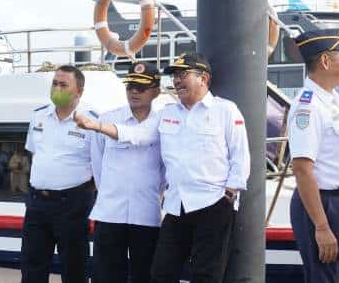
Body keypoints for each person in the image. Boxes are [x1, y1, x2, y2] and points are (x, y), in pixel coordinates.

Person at [75, 52, 250, 283]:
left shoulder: (226, 111)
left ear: (203, 78)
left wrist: (229, 194)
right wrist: (97, 126)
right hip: (177, 206)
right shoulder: (167, 114)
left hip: (213, 204)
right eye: (174, 76)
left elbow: (240, 156)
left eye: (182, 74)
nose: (177, 81)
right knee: (160, 273)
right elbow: (138, 135)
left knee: (206, 274)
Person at [287, 29, 339, 283]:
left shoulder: (330, 100)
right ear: (325, 62)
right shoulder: (308, 106)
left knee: (336, 276)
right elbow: (302, 169)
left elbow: (332, 151)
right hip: (323, 206)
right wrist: (321, 226)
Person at [89, 62, 166, 283]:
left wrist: (152, 192)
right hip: (110, 213)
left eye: (141, 87)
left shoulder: (163, 123)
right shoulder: (106, 119)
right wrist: (110, 193)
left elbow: (165, 170)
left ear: (156, 91)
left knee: (145, 276)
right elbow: (98, 164)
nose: (134, 91)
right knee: (106, 277)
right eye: (130, 85)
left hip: (146, 214)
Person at [21, 65, 98, 283]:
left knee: (74, 270)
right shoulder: (38, 116)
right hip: (37, 203)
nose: (57, 88)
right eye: (55, 83)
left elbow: (99, 167)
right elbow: (35, 154)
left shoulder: (91, 121)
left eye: (63, 84)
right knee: (31, 267)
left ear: (79, 92)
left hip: (72, 205)